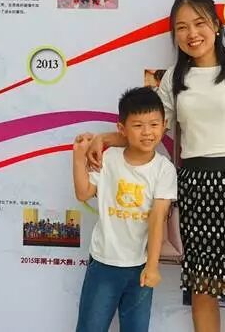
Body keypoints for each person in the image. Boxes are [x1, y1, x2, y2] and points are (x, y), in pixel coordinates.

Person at [85, 0, 225, 332]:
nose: (192, 33)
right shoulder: (175, 77)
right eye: (182, 27)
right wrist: (105, 139)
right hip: (196, 187)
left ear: (216, 25)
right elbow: (151, 128)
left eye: (199, 23)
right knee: (201, 287)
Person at [72, 87, 178, 332]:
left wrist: (152, 266)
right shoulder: (110, 159)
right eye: (138, 125)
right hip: (103, 262)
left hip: (140, 267)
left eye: (154, 124)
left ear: (164, 125)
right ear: (122, 129)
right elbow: (83, 193)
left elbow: (157, 218)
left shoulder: (164, 169)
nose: (147, 132)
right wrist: (78, 158)